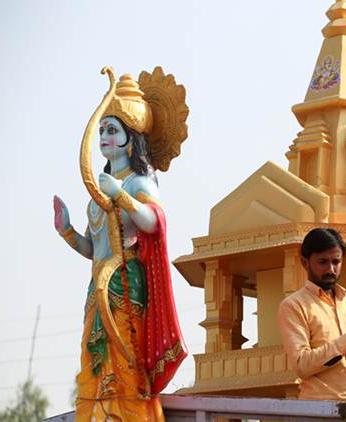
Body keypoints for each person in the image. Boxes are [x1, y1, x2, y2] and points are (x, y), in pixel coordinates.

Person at [52, 68, 188, 421]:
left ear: (130, 139)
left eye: (112, 130)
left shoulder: (137, 182)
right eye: (101, 131)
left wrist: (121, 196)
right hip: (98, 287)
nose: (104, 138)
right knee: (95, 358)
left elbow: (153, 221)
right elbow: (91, 249)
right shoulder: (100, 191)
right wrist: (67, 231)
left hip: (126, 283)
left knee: (125, 360)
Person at [277, 228, 346, 402]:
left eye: (336, 262)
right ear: (305, 262)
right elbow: (302, 365)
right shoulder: (294, 306)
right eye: (323, 262)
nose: (331, 269)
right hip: (322, 410)